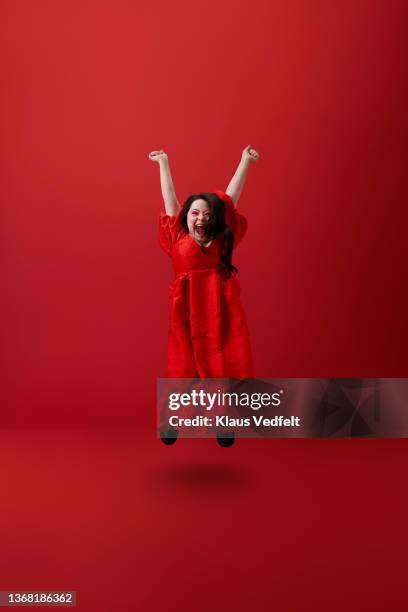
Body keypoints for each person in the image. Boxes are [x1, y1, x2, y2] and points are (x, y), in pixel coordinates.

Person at [149, 145, 260, 446]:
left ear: (215, 220)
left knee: (223, 361)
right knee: (182, 365)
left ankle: (224, 421)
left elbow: (231, 197)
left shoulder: (223, 240)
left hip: (220, 308)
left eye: (207, 215)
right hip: (186, 311)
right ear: (186, 218)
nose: (200, 219)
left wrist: (244, 161)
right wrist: (164, 163)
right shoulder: (177, 236)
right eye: (195, 213)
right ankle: (171, 421)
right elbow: (169, 198)